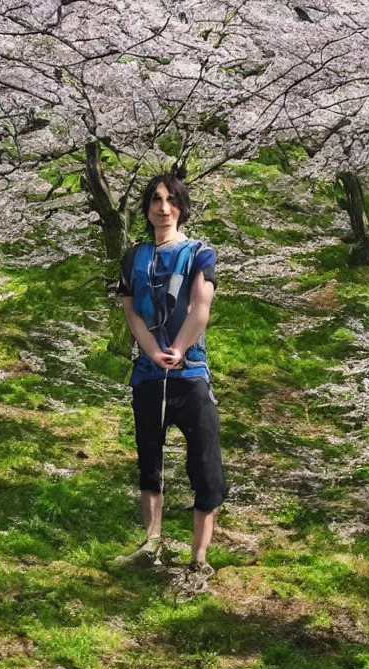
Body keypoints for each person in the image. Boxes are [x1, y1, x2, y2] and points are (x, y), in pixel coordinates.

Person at [114, 170, 227, 592]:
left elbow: (201, 306)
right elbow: (132, 311)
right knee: (150, 462)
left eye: (171, 200)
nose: (163, 208)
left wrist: (178, 349)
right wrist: (150, 351)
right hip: (147, 374)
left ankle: (198, 560)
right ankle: (152, 545)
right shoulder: (134, 257)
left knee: (205, 464)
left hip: (190, 373)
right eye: (156, 200)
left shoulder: (199, 253)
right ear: (146, 208)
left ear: (181, 206)